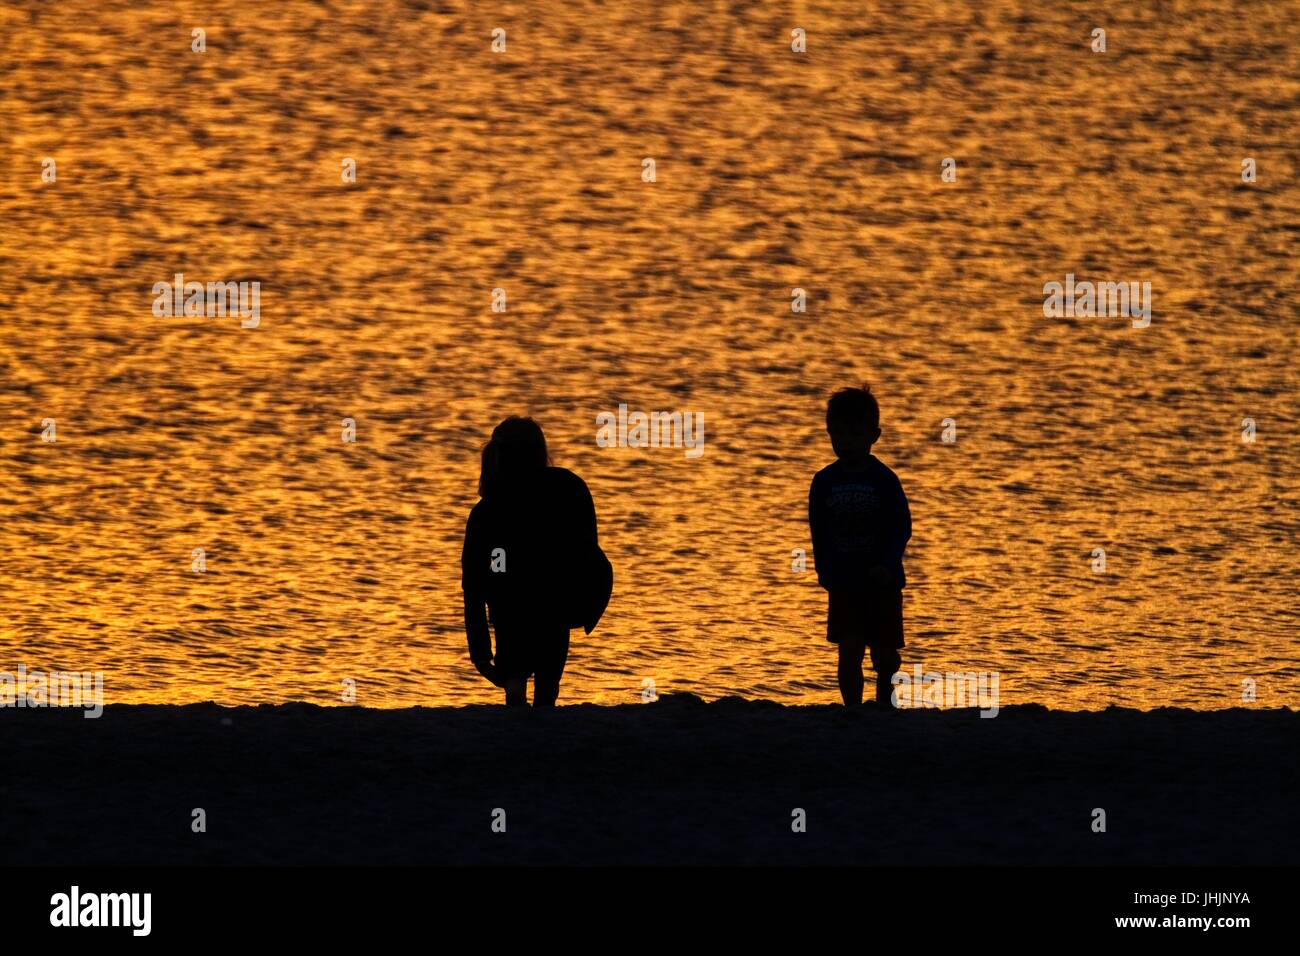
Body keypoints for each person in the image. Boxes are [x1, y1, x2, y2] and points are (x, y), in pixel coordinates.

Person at [461, 416, 609, 706]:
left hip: (509, 610)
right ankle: (542, 697)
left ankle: (515, 686)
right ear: (541, 454)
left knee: (503, 579)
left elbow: (474, 589)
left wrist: (481, 656)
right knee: (547, 679)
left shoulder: (486, 511)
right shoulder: (569, 489)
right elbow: (588, 557)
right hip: (556, 607)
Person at [807, 386, 912, 707]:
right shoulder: (824, 481)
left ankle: (885, 700)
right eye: (837, 433)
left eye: (854, 433)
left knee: (882, 649)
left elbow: (901, 527)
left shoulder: (884, 479)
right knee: (848, 647)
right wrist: (823, 568)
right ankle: (852, 707)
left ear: (874, 435)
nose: (845, 441)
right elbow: (819, 530)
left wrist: (888, 564)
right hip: (844, 579)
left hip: (882, 580)